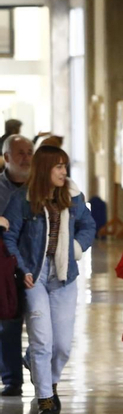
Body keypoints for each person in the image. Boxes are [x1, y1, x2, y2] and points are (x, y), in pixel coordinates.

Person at [2, 146, 96, 414]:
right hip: (35, 276)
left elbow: (88, 226)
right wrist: (22, 268)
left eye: (65, 166)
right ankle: (44, 400)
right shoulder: (22, 199)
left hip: (64, 276)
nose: (64, 172)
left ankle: (48, 380)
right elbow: (9, 238)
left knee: (62, 346)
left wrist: (75, 249)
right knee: (42, 341)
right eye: (58, 167)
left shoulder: (72, 197)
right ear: (45, 169)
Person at [0, 133, 32, 396]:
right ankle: (12, 380)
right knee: (9, 322)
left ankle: (33, 359)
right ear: (7, 157)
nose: (27, 158)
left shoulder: (42, 187)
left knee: (46, 320)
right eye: (21, 153)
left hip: (36, 265)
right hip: (5, 267)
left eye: (30, 152)